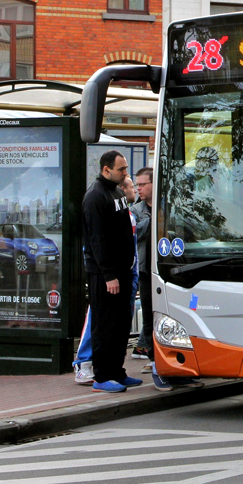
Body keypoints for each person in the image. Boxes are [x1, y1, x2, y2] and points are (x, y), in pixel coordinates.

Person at [82, 150, 142, 393]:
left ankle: (117, 371)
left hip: (123, 271)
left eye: (125, 168)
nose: (125, 173)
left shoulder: (117, 191)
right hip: (106, 275)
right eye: (121, 169)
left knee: (120, 326)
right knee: (105, 326)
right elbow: (97, 241)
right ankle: (102, 376)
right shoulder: (95, 197)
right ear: (106, 169)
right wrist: (109, 275)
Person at [131, 168, 154, 362]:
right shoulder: (136, 210)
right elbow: (132, 233)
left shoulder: (167, 206)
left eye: (142, 184)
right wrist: (154, 222)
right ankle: (148, 351)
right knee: (147, 312)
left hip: (166, 267)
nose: (139, 189)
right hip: (145, 270)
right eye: (137, 185)